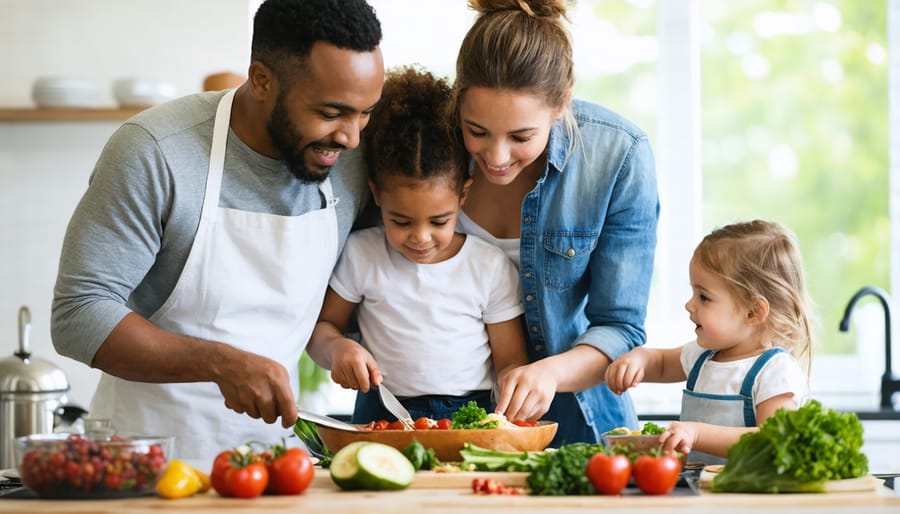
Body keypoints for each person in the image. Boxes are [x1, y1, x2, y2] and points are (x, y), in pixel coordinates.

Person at [50, 0, 384, 462]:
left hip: (277, 463)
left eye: (365, 113)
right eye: (331, 112)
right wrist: (219, 363)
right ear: (262, 80)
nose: (351, 137)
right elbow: (78, 314)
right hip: (147, 461)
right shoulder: (157, 151)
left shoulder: (350, 162)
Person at [448, 0, 659, 446]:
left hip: (576, 421)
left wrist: (549, 373)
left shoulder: (618, 155)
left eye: (521, 136)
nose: (497, 157)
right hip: (430, 417)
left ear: (561, 104)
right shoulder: (424, 141)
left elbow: (621, 327)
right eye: (477, 131)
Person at [305, 66, 538, 424]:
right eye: (401, 221)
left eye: (439, 221)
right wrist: (337, 349)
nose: (420, 237)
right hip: (383, 408)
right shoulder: (362, 254)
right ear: (376, 196)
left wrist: (512, 396)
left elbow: (510, 361)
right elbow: (321, 330)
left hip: (471, 412)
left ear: (463, 194)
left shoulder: (488, 266)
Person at [605, 220, 813, 464]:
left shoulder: (774, 371)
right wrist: (638, 358)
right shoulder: (702, 355)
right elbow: (660, 363)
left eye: (704, 297)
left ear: (753, 312)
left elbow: (772, 441)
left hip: (746, 497)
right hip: (699, 490)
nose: (689, 304)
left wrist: (696, 434)